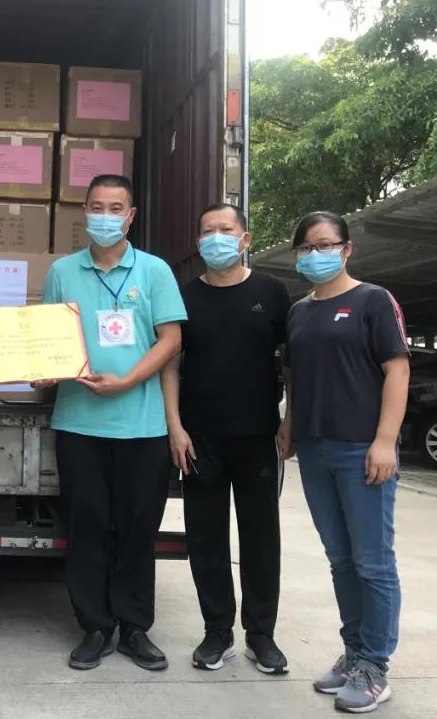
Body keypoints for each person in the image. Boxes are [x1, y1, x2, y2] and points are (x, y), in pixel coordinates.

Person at [38, 174, 186, 672]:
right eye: (97, 207)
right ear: (84, 211)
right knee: (87, 530)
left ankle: (134, 628)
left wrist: (127, 382)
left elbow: (170, 341)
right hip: (79, 425)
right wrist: (41, 369)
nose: (105, 216)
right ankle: (95, 627)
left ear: (131, 216)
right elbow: (49, 338)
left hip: (142, 427)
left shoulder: (155, 271)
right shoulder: (62, 271)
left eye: (115, 208)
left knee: (138, 530)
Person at [279, 211, 409, 714]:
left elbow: (397, 370)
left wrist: (385, 440)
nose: (316, 254)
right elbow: (295, 375)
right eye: (306, 247)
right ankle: (354, 652)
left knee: (373, 561)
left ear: (347, 249)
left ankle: (375, 665)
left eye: (325, 244)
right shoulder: (299, 312)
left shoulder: (374, 301)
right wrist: (289, 424)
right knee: (340, 558)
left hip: (362, 449)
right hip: (315, 449)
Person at [162, 203, 292, 675]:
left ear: (245, 239)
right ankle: (217, 631)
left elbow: (292, 360)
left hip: (258, 435)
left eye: (226, 230)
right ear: (198, 241)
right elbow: (170, 364)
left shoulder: (270, 291)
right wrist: (175, 426)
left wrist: (290, 421)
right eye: (207, 231)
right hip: (200, 439)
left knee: (261, 538)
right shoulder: (184, 296)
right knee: (206, 537)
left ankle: (261, 635)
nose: (216, 238)